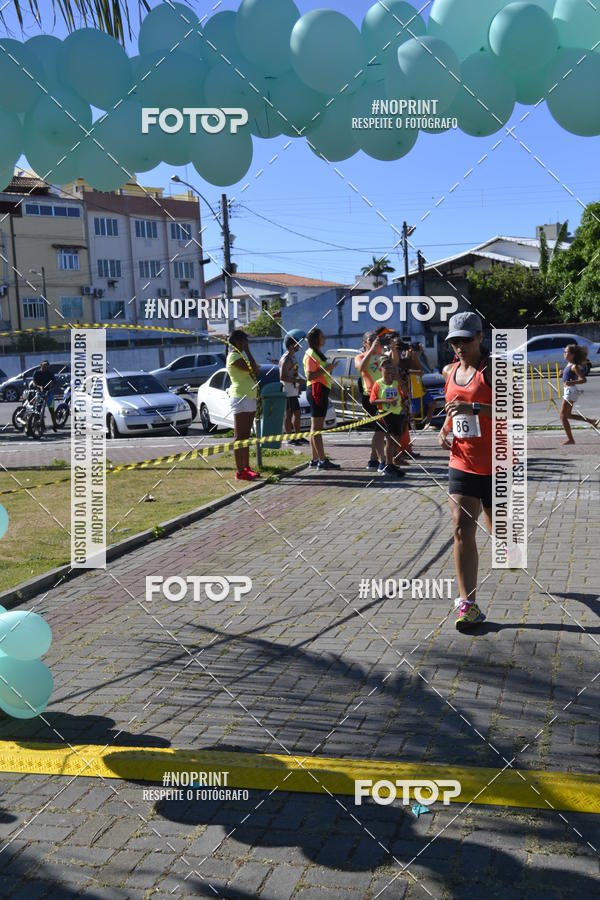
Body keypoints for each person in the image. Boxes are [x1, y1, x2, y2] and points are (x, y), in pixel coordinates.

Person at [438, 312, 493, 632]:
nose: (459, 347)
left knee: (500, 531)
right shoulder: (449, 371)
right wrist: (445, 429)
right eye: (454, 341)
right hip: (462, 461)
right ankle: (468, 604)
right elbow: (451, 408)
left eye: (466, 340)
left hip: (497, 462)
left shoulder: (494, 371)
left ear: (480, 337)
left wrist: (474, 408)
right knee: (461, 529)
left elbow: (514, 410)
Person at [226, 330, 261, 482]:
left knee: (246, 436)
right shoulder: (234, 356)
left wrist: (247, 352)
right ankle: (240, 470)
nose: (247, 343)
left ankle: (246, 467)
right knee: (239, 436)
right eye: (245, 341)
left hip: (249, 396)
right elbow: (252, 368)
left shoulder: (241, 356)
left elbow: (257, 370)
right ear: (239, 342)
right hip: (240, 397)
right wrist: (247, 351)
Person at [303, 328, 340, 470]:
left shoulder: (316, 353)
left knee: (315, 427)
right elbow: (309, 375)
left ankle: (315, 459)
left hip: (320, 389)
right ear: (317, 339)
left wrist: (328, 368)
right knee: (317, 428)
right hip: (316, 389)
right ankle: (322, 460)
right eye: (322, 336)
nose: (325, 338)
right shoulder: (311, 353)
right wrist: (327, 368)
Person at [369, 358, 407, 478]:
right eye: (386, 367)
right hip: (385, 415)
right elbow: (372, 400)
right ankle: (388, 465)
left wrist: (403, 405)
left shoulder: (396, 383)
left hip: (397, 414)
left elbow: (402, 395)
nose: (389, 370)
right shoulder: (378, 384)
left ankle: (392, 462)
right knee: (390, 440)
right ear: (381, 369)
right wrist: (387, 401)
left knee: (397, 439)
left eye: (391, 367)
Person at [354, 331, 385, 469]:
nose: (374, 342)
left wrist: (394, 349)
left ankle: (373, 461)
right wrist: (371, 350)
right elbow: (361, 368)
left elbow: (393, 365)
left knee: (381, 430)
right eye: (370, 340)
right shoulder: (359, 356)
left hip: (383, 397)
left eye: (375, 339)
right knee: (380, 430)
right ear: (364, 343)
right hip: (370, 397)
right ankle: (383, 461)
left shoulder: (380, 356)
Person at [559, 343, 598, 444]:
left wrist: (571, 382)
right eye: (564, 352)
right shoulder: (569, 365)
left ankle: (570, 439)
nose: (564, 353)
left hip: (570, 391)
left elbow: (583, 379)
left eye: (566, 352)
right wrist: (563, 374)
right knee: (567, 415)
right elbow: (570, 377)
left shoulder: (574, 366)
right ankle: (591, 421)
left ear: (572, 355)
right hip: (569, 391)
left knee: (562, 416)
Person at [279, 336, 307, 446]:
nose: (298, 346)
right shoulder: (286, 358)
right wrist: (297, 380)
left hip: (293, 390)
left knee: (297, 413)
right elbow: (282, 376)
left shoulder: (292, 357)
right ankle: (290, 438)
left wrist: (299, 382)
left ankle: (298, 436)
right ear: (291, 346)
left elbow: (293, 372)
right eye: (296, 344)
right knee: (290, 414)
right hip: (288, 391)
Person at [32, 359, 57, 432]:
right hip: (39, 393)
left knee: (51, 410)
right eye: (44, 365)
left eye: (47, 366)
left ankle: (55, 425)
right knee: (38, 410)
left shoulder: (50, 373)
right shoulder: (36, 373)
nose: (45, 367)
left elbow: (55, 382)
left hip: (49, 394)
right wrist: (39, 387)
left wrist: (51, 386)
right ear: (41, 365)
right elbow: (34, 382)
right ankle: (41, 426)